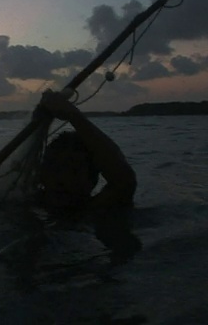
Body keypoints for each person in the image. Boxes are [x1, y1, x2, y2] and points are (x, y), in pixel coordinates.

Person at [36, 89, 142, 263]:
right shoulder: (28, 202)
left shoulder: (96, 209)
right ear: (41, 174)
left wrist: (74, 117)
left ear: (92, 181)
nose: (62, 179)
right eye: (54, 168)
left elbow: (124, 181)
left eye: (74, 171)